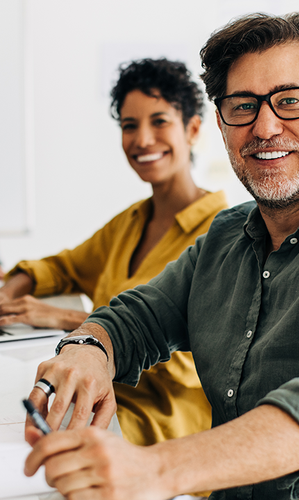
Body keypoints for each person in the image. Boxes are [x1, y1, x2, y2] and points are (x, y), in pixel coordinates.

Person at [23, 12, 299, 500]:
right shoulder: (225, 236)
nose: (264, 126)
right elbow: (137, 318)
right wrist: (87, 350)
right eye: (243, 106)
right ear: (221, 122)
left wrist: (156, 470)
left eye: (290, 101)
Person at [0, 58, 227, 450]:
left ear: (191, 129)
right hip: (96, 397)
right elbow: (61, 267)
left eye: (159, 121)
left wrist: (69, 320)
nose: (142, 139)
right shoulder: (132, 221)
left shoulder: (223, 233)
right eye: (129, 125)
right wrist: (8, 294)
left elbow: (186, 359)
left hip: (160, 425)